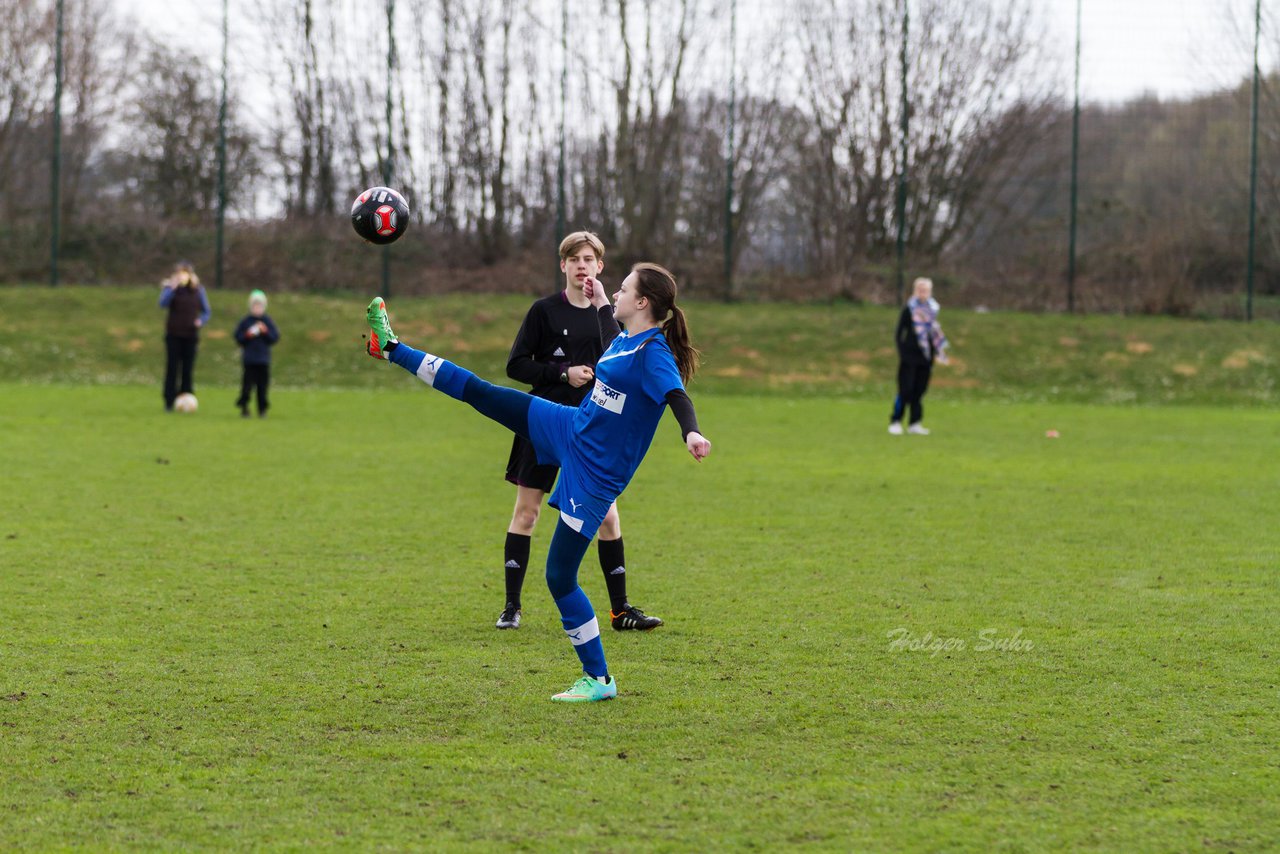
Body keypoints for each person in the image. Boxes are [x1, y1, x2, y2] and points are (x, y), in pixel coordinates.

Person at [362, 263, 710, 703]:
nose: (615, 294)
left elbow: (676, 395)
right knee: (484, 394)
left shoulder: (654, 354)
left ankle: (599, 680)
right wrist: (602, 298)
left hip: (594, 475)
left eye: (623, 289)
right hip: (569, 426)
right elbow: (609, 333)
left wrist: (691, 432)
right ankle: (390, 347)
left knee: (560, 576)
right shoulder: (625, 338)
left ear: (643, 303)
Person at [497, 231, 662, 633]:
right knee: (527, 512)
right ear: (563, 266)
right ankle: (512, 606)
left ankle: (620, 610)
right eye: (574, 259)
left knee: (608, 518)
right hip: (545, 425)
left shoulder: (612, 315)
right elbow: (516, 366)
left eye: (589, 258)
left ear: (600, 267)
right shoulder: (543, 311)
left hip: (592, 431)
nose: (582, 265)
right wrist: (561, 373)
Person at [889, 277, 949, 435]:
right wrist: (903, 351)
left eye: (926, 290)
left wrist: (936, 351)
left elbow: (933, 333)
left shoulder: (933, 310)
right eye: (920, 290)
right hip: (909, 356)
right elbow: (899, 333)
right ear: (915, 291)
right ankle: (896, 421)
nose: (923, 293)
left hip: (926, 357)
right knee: (905, 390)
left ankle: (915, 423)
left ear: (930, 292)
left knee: (919, 391)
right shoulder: (909, 309)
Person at [158, 261, 211, 411]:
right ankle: (169, 401)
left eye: (185, 273)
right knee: (172, 368)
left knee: (187, 369)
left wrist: (200, 321)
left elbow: (207, 311)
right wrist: (172, 289)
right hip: (173, 335)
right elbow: (162, 304)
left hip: (190, 335)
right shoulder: (171, 289)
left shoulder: (198, 290)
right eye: (180, 273)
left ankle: (186, 398)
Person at [233, 290, 281, 418]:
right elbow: (238, 338)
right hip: (249, 360)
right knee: (247, 387)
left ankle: (262, 410)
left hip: (263, 360)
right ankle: (244, 407)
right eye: (255, 305)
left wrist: (265, 332)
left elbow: (274, 338)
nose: (257, 308)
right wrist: (248, 335)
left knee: (262, 388)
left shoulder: (267, 321)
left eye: (259, 306)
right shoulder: (246, 321)